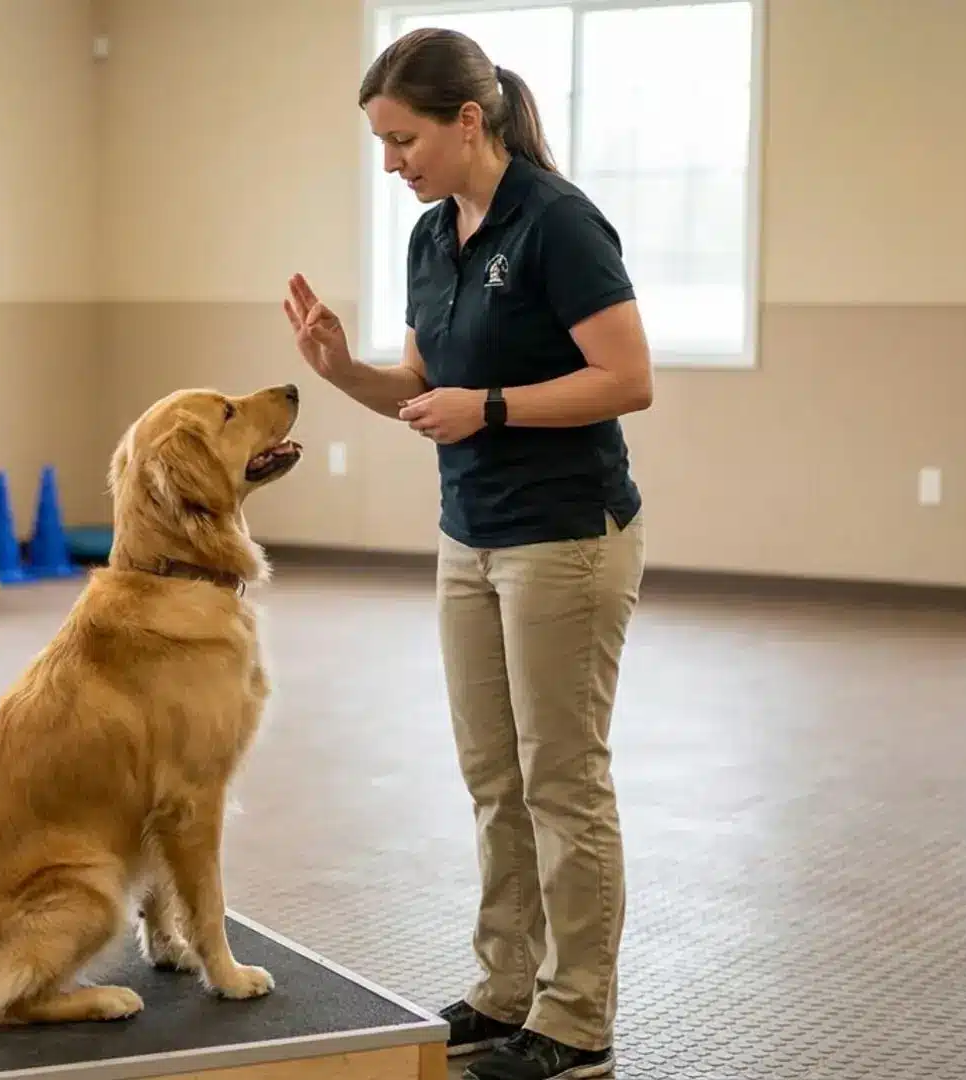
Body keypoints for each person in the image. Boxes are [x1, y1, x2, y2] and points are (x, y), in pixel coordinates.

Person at [282, 26, 653, 1080]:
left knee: (561, 783)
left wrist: (488, 405)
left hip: (566, 539)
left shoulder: (559, 224)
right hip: (469, 535)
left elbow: (627, 379)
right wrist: (341, 366)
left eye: (403, 140)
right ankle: (503, 993)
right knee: (494, 779)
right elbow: (418, 391)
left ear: (468, 122)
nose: (391, 163)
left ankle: (576, 1023)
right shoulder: (431, 237)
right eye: (380, 145)